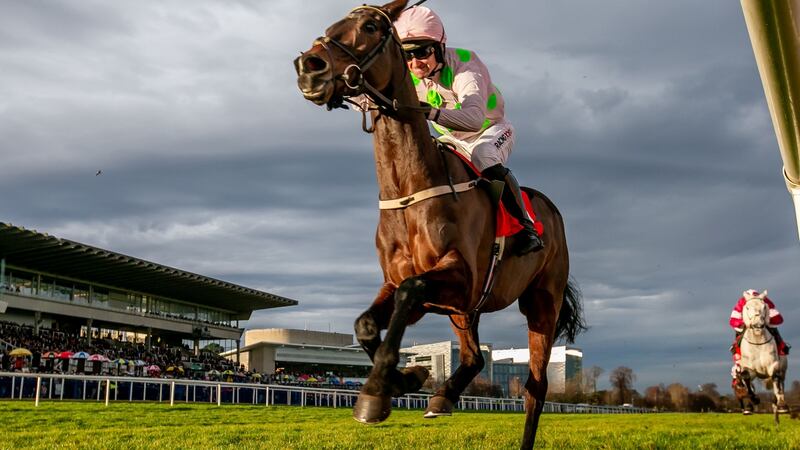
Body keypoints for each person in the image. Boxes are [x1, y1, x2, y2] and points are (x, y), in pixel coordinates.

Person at [393, 6, 543, 255]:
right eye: (406, 55)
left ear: (439, 47)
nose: (415, 63)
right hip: (451, 138)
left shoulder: (466, 65)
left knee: (483, 155)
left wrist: (427, 111)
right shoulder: (409, 73)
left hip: (489, 130)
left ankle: (526, 227)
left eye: (421, 52)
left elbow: (473, 120)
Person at [729, 289, 790, 370]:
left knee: (773, 329)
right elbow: (733, 320)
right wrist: (744, 323)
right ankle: (738, 360)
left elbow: (778, 318)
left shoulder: (765, 301)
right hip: (747, 324)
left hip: (763, 323)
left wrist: (766, 320)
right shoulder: (742, 302)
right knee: (739, 334)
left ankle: (781, 347)